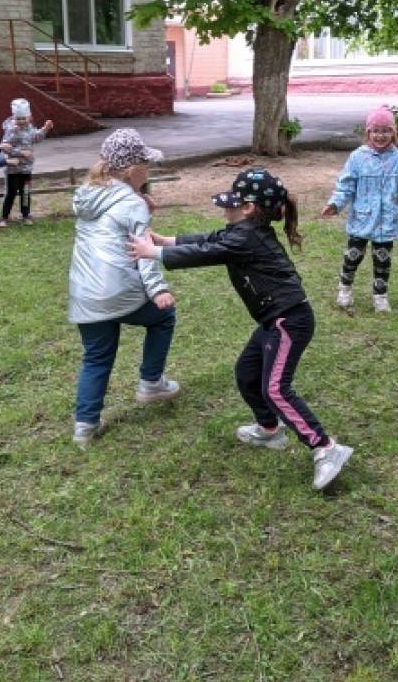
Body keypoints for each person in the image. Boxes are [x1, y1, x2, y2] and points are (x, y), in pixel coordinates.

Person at [129, 167, 353, 491]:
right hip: (273, 321)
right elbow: (210, 240)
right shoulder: (244, 232)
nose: (224, 208)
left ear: (248, 208)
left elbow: (208, 252)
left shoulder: (246, 237)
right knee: (247, 373)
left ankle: (326, 448)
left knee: (275, 389)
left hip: (289, 321)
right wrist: (167, 241)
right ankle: (269, 430)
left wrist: (157, 253)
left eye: (230, 203)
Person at [69, 128, 179, 446]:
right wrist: (158, 290)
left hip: (86, 293)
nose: (149, 170)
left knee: (96, 357)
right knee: (163, 317)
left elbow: (110, 218)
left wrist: (138, 199)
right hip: (119, 291)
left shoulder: (87, 193)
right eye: (146, 165)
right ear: (133, 171)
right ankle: (151, 382)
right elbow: (142, 251)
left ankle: (85, 428)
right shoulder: (132, 203)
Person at [321, 105, 398, 312]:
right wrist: (334, 204)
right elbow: (345, 185)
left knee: (383, 260)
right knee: (353, 255)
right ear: (368, 133)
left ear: (393, 132)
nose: (380, 136)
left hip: (387, 220)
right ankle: (344, 289)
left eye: (385, 131)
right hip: (362, 219)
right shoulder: (357, 157)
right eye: (376, 131)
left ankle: (380, 296)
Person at [0, 98, 53, 226]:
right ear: (13, 118)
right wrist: (21, 153)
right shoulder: (10, 130)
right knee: (10, 192)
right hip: (13, 168)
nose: (21, 121)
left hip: (26, 168)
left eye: (24, 118)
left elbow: (37, 137)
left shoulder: (30, 128)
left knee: (26, 191)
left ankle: (26, 215)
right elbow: (5, 147)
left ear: (29, 118)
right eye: (18, 118)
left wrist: (45, 129)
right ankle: (4, 217)